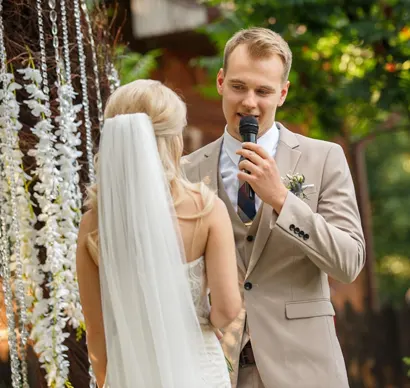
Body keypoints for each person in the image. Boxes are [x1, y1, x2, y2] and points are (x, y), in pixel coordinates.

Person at [183, 27, 366, 388]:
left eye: (263, 91)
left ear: (282, 93)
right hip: (219, 370)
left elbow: (349, 263)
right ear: (220, 82)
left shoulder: (325, 158)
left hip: (306, 369)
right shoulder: (186, 170)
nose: (249, 102)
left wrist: (282, 199)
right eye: (238, 86)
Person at [75, 79, 241, 388]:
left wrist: (107, 381)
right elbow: (229, 306)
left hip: (130, 372)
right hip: (199, 367)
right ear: (174, 139)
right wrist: (204, 324)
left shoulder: (93, 224)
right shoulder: (205, 208)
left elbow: (96, 333)